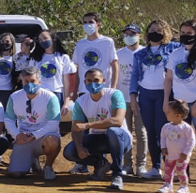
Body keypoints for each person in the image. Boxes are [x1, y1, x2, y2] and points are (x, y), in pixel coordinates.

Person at [62, 68, 131, 190]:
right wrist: (79, 147)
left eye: (96, 80)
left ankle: (117, 174)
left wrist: (88, 125)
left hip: (120, 138)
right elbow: (76, 128)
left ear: (104, 81)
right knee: (69, 151)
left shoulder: (115, 94)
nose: (92, 84)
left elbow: (117, 121)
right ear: (84, 82)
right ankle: (101, 164)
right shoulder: (81, 101)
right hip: (97, 138)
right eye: (89, 81)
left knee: (113, 131)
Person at [70, 12, 118, 175]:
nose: (87, 25)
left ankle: (102, 162)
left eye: (90, 22)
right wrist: (75, 91)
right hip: (84, 91)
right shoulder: (80, 44)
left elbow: (114, 65)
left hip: (103, 91)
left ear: (99, 24)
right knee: (80, 128)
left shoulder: (107, 42)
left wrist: (113, 87)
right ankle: (82, 163)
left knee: (102, 124)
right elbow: (77, 71)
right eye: (84, 22)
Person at [130, 19, 179, 179]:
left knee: (163, 130)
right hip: (145, 94)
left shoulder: (173, 48)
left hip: (163, 94)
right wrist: (133, 95)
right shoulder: (140, 54)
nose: (155, 32)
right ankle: (156, 167)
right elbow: (135, 75)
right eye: (151, 29)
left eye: (159, 30)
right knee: (151, 132)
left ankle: (170, 167)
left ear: (165, 32)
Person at [4, 66, 61, 180]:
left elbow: (53, 124)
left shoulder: (50, 98)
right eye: (26, 81)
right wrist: (17, 135)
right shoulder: (14, 97)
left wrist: (33, 136)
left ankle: (48, 167)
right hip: (23, 138)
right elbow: (9, 120)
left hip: (43, 137)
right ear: (22, 81)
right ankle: (31, 160)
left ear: (39, 82)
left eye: (33, 81)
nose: (29, 84)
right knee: (16, 174)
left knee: (53, 141)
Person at [164, 19, 196, 180]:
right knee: (180, 139)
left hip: (195, 102)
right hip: (180, 103)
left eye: (189, 33)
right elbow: (169, 78)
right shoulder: (175, 53)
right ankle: (182, 173)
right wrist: (166, 100)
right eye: (183, 33)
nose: (185, 36)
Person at [116, 23, 149, 176]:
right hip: (122, 98)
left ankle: (141, 165)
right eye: (126, 34)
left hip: (142, 98)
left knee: (141, 132)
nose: (129, 37)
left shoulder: (145, 52)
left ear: (139, 36)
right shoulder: (118, 54)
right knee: (125, 132)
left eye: (132, 34)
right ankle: (127, 164)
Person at [28, 30, 75, 116]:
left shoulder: (63, 57)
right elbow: (30, 80)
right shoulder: (35, 58)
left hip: (56, 94)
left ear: (53, 39)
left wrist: (66, 103)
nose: (43, 41)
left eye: (45, 38)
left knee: (53, 122)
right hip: (39, 94)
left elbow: (66, 83)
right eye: (40, 40)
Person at [157, 100, 193, 193]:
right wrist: (163, 147)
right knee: (168, 170)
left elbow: (192, 141)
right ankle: (168, 185)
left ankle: (184, 187)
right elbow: (163, 137)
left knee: (181, 171)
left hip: (182, 156)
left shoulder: (186, 128)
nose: (166, 113)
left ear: (178, 115)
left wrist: (186, 152)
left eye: (169, 112)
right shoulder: (166, 127)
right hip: (170, 154)